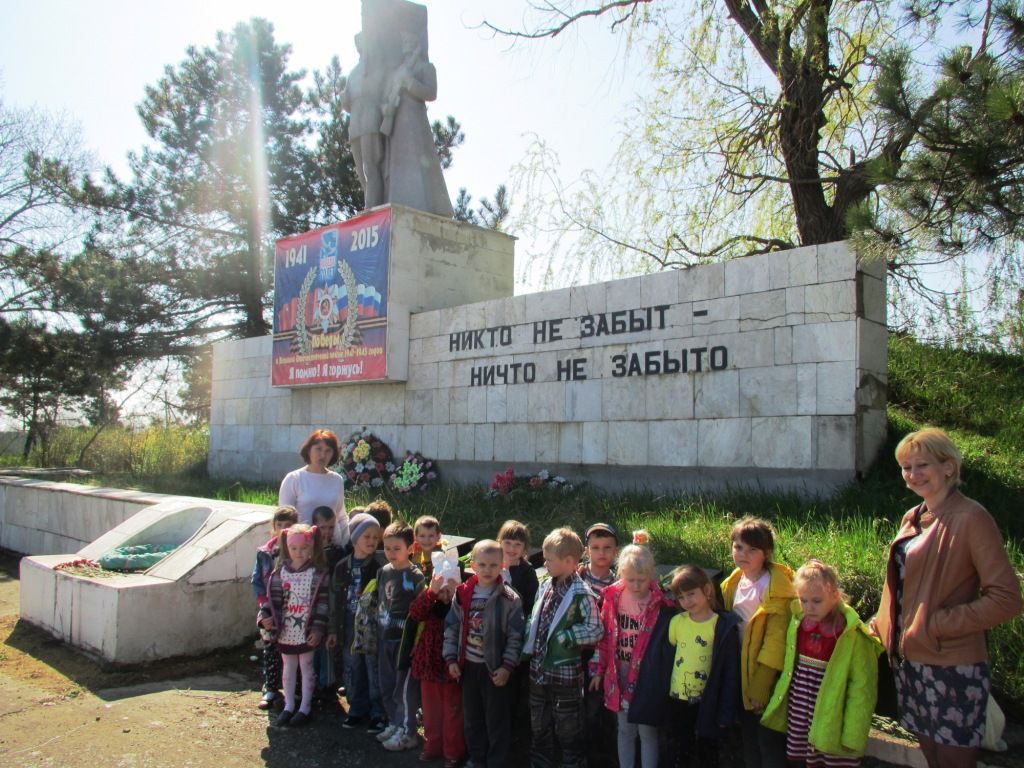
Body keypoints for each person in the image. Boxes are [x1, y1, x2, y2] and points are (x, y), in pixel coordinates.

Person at [872, 428, 1023, 768]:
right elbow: (903, 585)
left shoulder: (972, 518)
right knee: (932, 759)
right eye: (906, 467)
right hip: (909, 662)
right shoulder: (913, 517)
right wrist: (882, 625)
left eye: (922, 465)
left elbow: (1007, 599)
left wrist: (936, 624)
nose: (912, 474)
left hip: (952, 666)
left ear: (948, 467)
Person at [762, 560, 881, 767]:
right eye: (803, 600)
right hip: (801, 710)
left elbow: (862, 689)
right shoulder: (798, 623)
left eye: (816, 601)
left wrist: (853, 736)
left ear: (835, 595)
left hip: (831, 715)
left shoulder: (850, 634)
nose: (809, 607)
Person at [523, 527, 604, 768]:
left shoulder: (581, 594)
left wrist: (568, 636)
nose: (545, 563)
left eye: (549, 560)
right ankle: (541, 761)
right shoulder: (545, 586)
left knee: (568, 724)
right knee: (539, 721)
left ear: (569, 561)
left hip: (564, 672)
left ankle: (573, 761)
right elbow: (535, 618)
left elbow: (596, 629)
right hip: (539, 669)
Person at [720, 517, 796, 768]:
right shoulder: (732, 583)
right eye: (738, 547)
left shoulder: (776, 589)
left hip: (765, 677)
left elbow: (776, 641)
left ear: (766, 553)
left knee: (768, 742)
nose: (743, 554)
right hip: (741, 673)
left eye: (752, 549)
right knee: (749, 740)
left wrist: (762, 682)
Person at [589, 541, 673, 768]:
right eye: (631, 579)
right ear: (622, 575)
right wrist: (598, 670)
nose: (636, 585)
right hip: (620, 673)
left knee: (647, 730)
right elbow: (604, 637)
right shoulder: (613, 598)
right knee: (625, 729)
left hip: (647, 677)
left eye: (641, 580)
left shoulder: (659, 604)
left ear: (651, 575)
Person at [444, 539, 526, 768]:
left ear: (502, 565)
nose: (487, 570)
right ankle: (477, 758)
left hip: (495, 668)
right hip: (468, 667)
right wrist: (450, 659)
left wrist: (507, 666)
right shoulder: (463, 594)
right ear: (472, 565)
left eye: (493, 565)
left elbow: (516, 636)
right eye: (482, 564)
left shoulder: (509, 598)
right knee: (472, 719)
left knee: (496, 720)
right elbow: (451, 626)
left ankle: (496, 761)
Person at [660, 565, 740, 768]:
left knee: (707, 749)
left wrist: (725, 711)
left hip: (707, 699)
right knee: (680, 748)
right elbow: (669, 657)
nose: (687, 601)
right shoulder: (677, 622)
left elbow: (729, 671)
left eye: (691, 594)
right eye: (681, 597)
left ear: (707, 590)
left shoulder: (720, 625)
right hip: (678, 697)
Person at [257, 524, 330, 728]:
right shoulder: (279, 573)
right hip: (286, 630)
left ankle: (305, 707)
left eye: (304, 547)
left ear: (311, 547)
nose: (299, 552)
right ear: (287, 547)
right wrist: (264, 617)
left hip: (306, 630)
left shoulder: (317, 574)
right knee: (288, 667)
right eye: (294, 548)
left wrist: (318, 628)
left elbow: (323, 604)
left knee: (307, 666)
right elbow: (272, 602)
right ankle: (289, 705)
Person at [328, 512, 386, 733]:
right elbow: (334, 600)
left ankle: (377, 712)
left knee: (373, 668)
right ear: (354, 538)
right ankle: (356, 708)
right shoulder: (342, 567)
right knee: (352, 667)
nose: (372, 541)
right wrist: (332, 630)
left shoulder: (379, 566)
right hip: (348, 625)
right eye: (367, 536)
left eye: (375, 537)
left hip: (371, 628)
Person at [376, 521, 426, 751]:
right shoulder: (383, 572)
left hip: (405, 642)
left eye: (397, 548)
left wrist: (416, 642)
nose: (391, 553)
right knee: (386, 684)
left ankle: (408, 732)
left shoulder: (416, 577)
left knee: (404, 689)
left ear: (410, 548)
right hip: (385, 637)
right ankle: (395, 723)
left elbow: (422, 612)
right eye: (387, 548)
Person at [410, 563, 466, 768]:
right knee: (431, 709)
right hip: (429, 663)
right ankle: (432, 745)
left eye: (448, 591)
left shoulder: (461, 602)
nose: (445, 595)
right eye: (441, 590)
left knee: (452, 709)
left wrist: (458, 594)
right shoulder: (430, 600)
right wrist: (431, 592)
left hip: (452, 664)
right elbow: (415, 613)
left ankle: (453, 751)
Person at [497, 518, 539, 757]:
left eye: (517, 544)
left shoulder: (527, 572)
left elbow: (531, 604)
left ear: (525, 548)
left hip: (517, 636)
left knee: (514, 685)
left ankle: (515, 734)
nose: (512, 549)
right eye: (508, 543)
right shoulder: (494, 564)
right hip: (494, 635)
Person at [579, 523, 619, 767]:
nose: (601, 553)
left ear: (616, 551)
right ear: (587, 551)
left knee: (603, 706)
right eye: (595, 547)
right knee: (582, 706)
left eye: (607, 548)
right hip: (579, 651)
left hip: (606, 653)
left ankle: (605, 755)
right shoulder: (578, 576)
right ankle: (584, 754)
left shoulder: (618, 582)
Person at [251, 505, 298, 710]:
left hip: (293, 608)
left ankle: (294, 689)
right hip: (270, 607)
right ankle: (271, 687)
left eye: (289, 525)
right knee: (270, 648)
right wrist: (264, 607)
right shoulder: (265, 553)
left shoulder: (299, 552)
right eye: (280, 525)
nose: (284, 529)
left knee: (293, 649)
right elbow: (257, 581)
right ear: (274, 527)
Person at [278, 429, 349, 547]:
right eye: (318, 449)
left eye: (328, 451)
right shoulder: (294, 478)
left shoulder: (337, 480)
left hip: (331, 546)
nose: (323, 455)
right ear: (308, 450)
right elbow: (284, 518)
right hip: (302, 547)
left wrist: (345, 544)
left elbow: (341, 516)